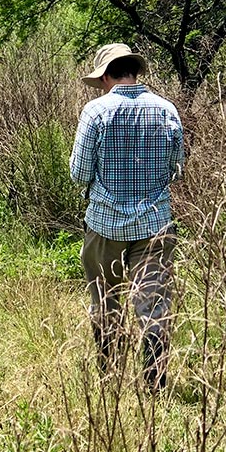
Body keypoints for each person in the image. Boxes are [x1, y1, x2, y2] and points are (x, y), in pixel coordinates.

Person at [69, 43, 184, 392]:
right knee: (153, 305)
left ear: (106, 76)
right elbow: (176, 170)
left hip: (106, 225)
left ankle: (110, 378)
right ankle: (154, 384)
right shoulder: (167, 109)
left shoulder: (96, 112)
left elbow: (78, 173)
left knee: (105, 300)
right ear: (134, 71)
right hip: (155, 225)